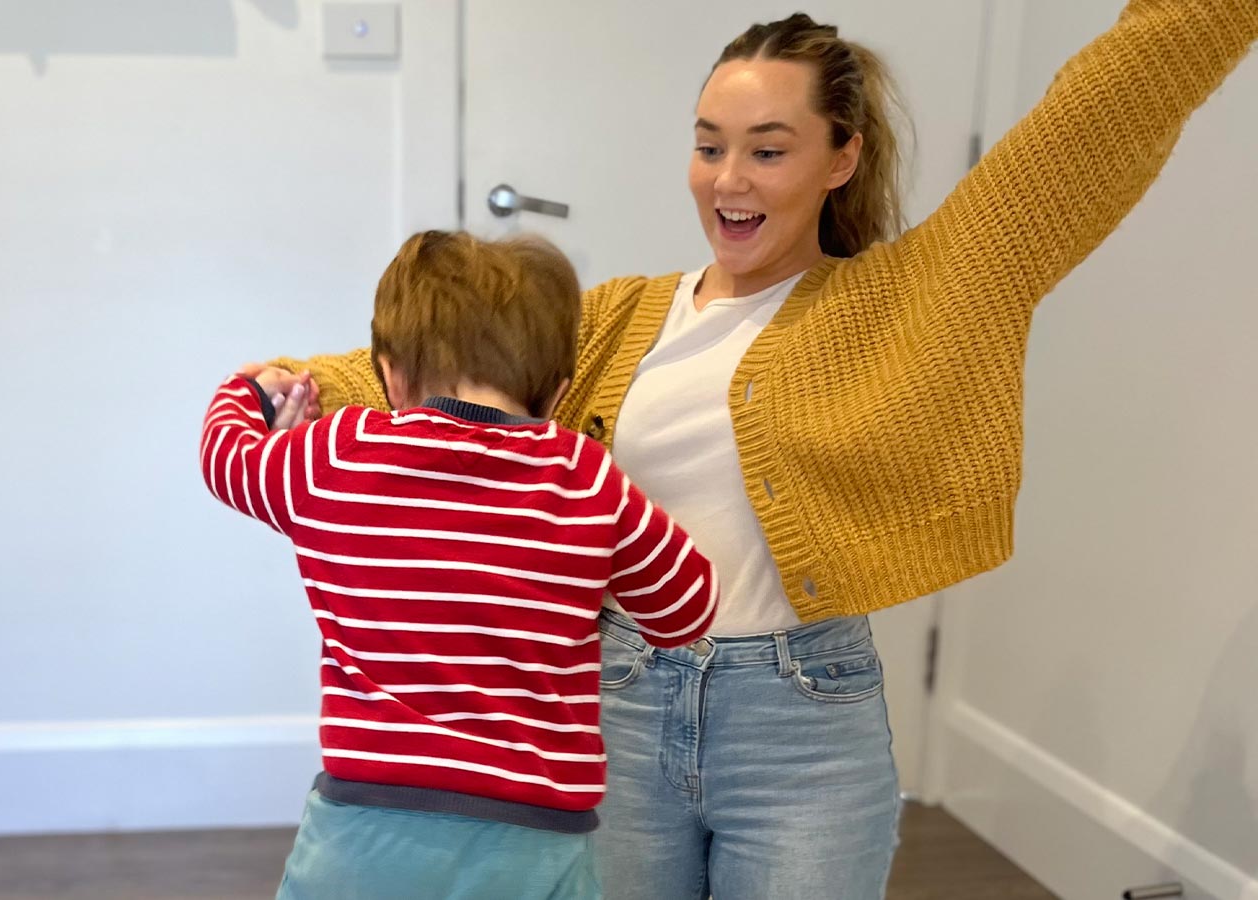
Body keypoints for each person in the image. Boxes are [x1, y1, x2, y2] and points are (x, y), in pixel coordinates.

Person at [246, 3, 1258, 897]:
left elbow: (1100, 122)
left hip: (801, 724)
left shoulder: (920, 294)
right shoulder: (614, 318)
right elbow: (419, 363)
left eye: (768, 149)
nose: (728, 180)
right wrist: (272, 388)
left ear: (841, 157)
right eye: (708, 145)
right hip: (617, 704)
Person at [201, 230, 720, 899]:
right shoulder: (583, 477)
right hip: (535, 841)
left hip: (365, 828)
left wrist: (249, 392)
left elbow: (225, 458)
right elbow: (687, 608)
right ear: (557, 392)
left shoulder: (337, 455)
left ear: (390, 373)